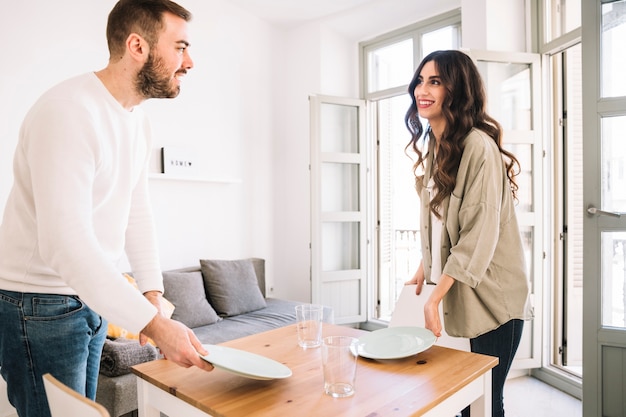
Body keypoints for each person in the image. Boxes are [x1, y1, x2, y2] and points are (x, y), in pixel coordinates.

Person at [0, 1, 214, 416]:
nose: (189, 61)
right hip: (38, 305)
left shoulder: (137, 120)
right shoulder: (68, 111)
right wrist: (154, 326)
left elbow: (136, 208)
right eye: (181, 46)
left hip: (90, 297)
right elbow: (64, 243)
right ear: (137, 45)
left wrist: (152, 294)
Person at [404, 50, 533, 417]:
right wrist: (424, 263)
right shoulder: (436, 145)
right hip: (463, 295)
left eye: (435, 81)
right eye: (420, 80)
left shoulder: (478, 146)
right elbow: (442, 221)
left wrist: (432, 300)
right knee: (463, 401)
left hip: (494, 302)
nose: (421, 89)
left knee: (483, 402)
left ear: (456, 90)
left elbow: (477, 234)